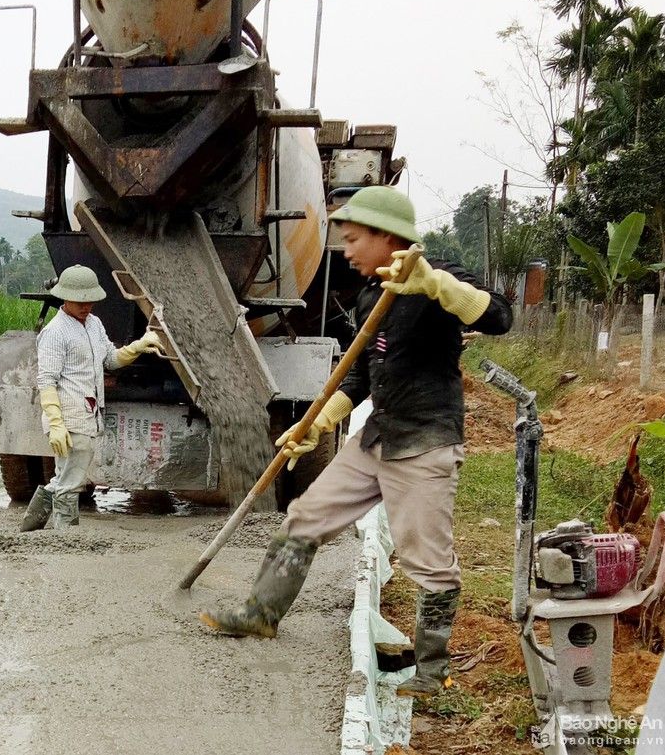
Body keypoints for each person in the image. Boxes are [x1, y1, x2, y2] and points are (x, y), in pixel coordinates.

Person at [199, 186, 512, 699]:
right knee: (306, 515)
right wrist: (317, 424)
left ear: (387, 236)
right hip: (378, 435)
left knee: (425, 557)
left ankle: (433, 672)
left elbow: (499, 316)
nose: (345, 251)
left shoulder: (441, 280)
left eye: (352, 239)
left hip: (425, 440)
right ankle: (261, 614)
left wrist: (434, 285)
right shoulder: (370, 294)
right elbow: (360, 377)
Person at [20, 265, 165, 532]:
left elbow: (109, 359)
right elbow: (46, 380)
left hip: (88, 413)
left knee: (63, 475)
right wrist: (55, 423)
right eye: (80, 301)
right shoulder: (55, 332)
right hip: (69, 416)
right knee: (71, 480)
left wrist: (136, 347)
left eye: (90, 301)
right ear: (64, 298)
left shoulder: (94, 324)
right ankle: (66, 537)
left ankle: (30, 528)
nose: (86, 306)